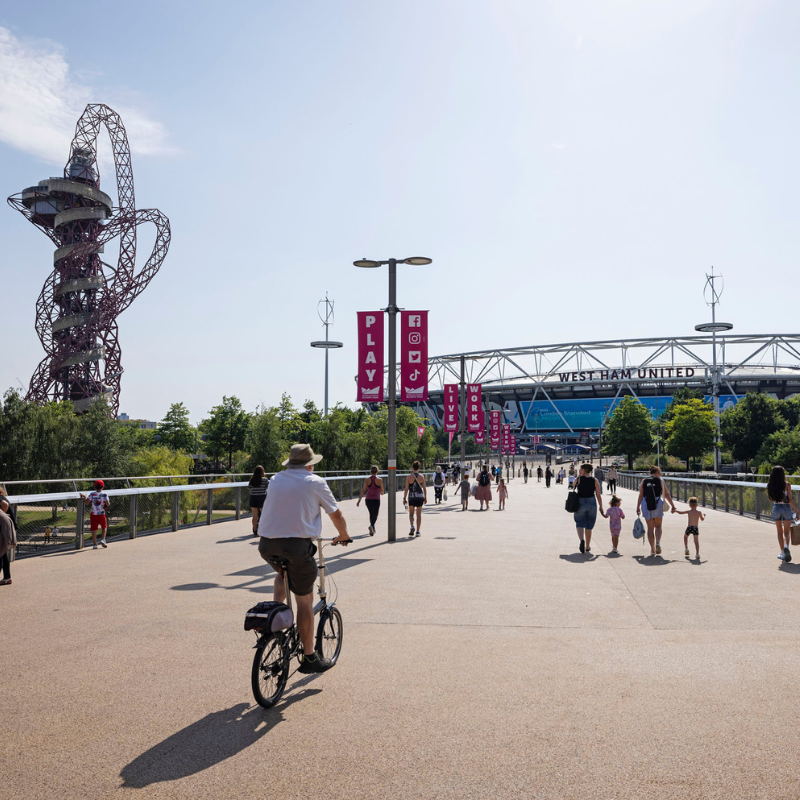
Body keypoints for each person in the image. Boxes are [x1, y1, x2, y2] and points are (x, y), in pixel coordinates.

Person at [257, 443, 351, 674]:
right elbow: (336, 513)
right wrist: (344, 535)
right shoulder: (315, 481)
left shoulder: (277, 479)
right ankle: (309, 658)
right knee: (304, 600)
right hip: (297, 546)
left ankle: (275, 626)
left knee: (283, 575)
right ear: (310, 465)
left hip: (267, 544)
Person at [636, 465, 675, 557]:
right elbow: (667, 494)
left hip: (646, 504)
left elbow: (640, 495)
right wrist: (673, 506)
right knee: (658, 526)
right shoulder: (661, 481)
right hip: (657, 503)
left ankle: (652, 549)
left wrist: (638, 507)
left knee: (650, 528)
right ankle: (657, 542)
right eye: (660, 473)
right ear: (657, 472)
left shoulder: (644, 481)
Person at [767, 465, 799, 562]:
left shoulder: (770, 485)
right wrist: (796, 511)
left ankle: (782, 553)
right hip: (786, 508)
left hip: (776, 507)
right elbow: (790, 499)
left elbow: (770, 498)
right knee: (786, 531)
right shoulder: (787, 485)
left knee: (779, 532)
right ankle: (786, 547)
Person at [574, 463, 604, 553]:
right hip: (591, 502)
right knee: (589, 525)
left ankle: (581, 540)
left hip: (580, 502)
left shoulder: (579, 479)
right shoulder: (595, 480)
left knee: (579, 522)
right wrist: (601, 506)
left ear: (583, 470)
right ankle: (587, 546)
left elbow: (573, 486)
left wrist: (579, 476)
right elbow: (598, 495)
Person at [80, 480, 110, 549]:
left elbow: (87, 503)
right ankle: (103, 539)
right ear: (103, 487)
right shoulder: (105, 494)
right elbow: (108, 504)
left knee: (94, 529)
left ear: (94, 487)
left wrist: (84, 496)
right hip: (102, 513)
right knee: (104, 527)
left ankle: (94, 544)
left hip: (93, 514)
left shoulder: (92, 494)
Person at [356, 465, 384, 535]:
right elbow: (382, 490)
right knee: (375, 514)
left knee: (371, 514)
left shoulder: (367, 480)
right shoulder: (379, 480)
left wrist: (359, 500)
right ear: (377, 471)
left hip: (368, 499)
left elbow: (363, 490)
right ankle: (371, 526)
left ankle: (372, 529)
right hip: (376, 499)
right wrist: (381, 491)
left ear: (371, 471)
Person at [403, 461, 428, 536]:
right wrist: (425, 497)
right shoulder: (421, 477)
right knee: (419, 514)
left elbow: (406, 488)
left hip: (412, 497)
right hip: (420, 497)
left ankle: (412, 526)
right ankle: (418, 531)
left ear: (412, 468)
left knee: (411, 513)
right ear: (419, 468)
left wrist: (404, 498)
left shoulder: (409, 477)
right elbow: (424, 488)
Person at [248, 465, 269, 536]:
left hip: (253, 498)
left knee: (254, 516)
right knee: (264, 515)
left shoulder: (252, 480)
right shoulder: (265, 480)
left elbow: (250, 489)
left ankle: (255, 530)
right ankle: (264, 529)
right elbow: (268, 488)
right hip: (262, 497)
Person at [0, 487, 14, 586]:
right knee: (3, 553)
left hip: (2, 528)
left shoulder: (1, 499)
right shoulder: (3, 497)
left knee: (0, 552)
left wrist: (2, 515)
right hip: (6, 527)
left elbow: (5, 505)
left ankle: (7, 577)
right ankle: (7, 577)